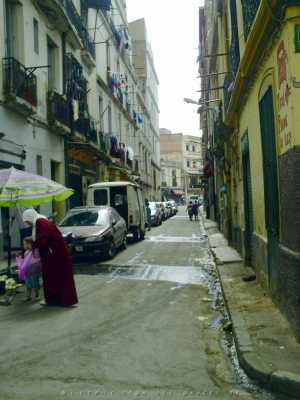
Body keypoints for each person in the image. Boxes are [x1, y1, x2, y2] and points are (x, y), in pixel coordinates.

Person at [22, 209, 78, 307]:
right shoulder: (40, 221)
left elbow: (43, 237)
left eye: (27, 221)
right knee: (53, 276)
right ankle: (55, 299)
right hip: (54, 253)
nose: (28, 224)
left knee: (54, 276)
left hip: (55, 254)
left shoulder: (40, 222)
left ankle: (60, 300)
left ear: (30, 217)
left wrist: (34, 245)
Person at [16, 237, 41, 302]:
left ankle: (37, 295)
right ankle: (28, 296)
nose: (24, 246)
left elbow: (37, 260)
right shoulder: (26, 252)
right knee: (28, 285)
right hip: (27, 272)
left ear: (30, 244)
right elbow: (25, 261)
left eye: (25, 244)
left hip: (34, 271)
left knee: (35, 284)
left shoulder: (35, 251)